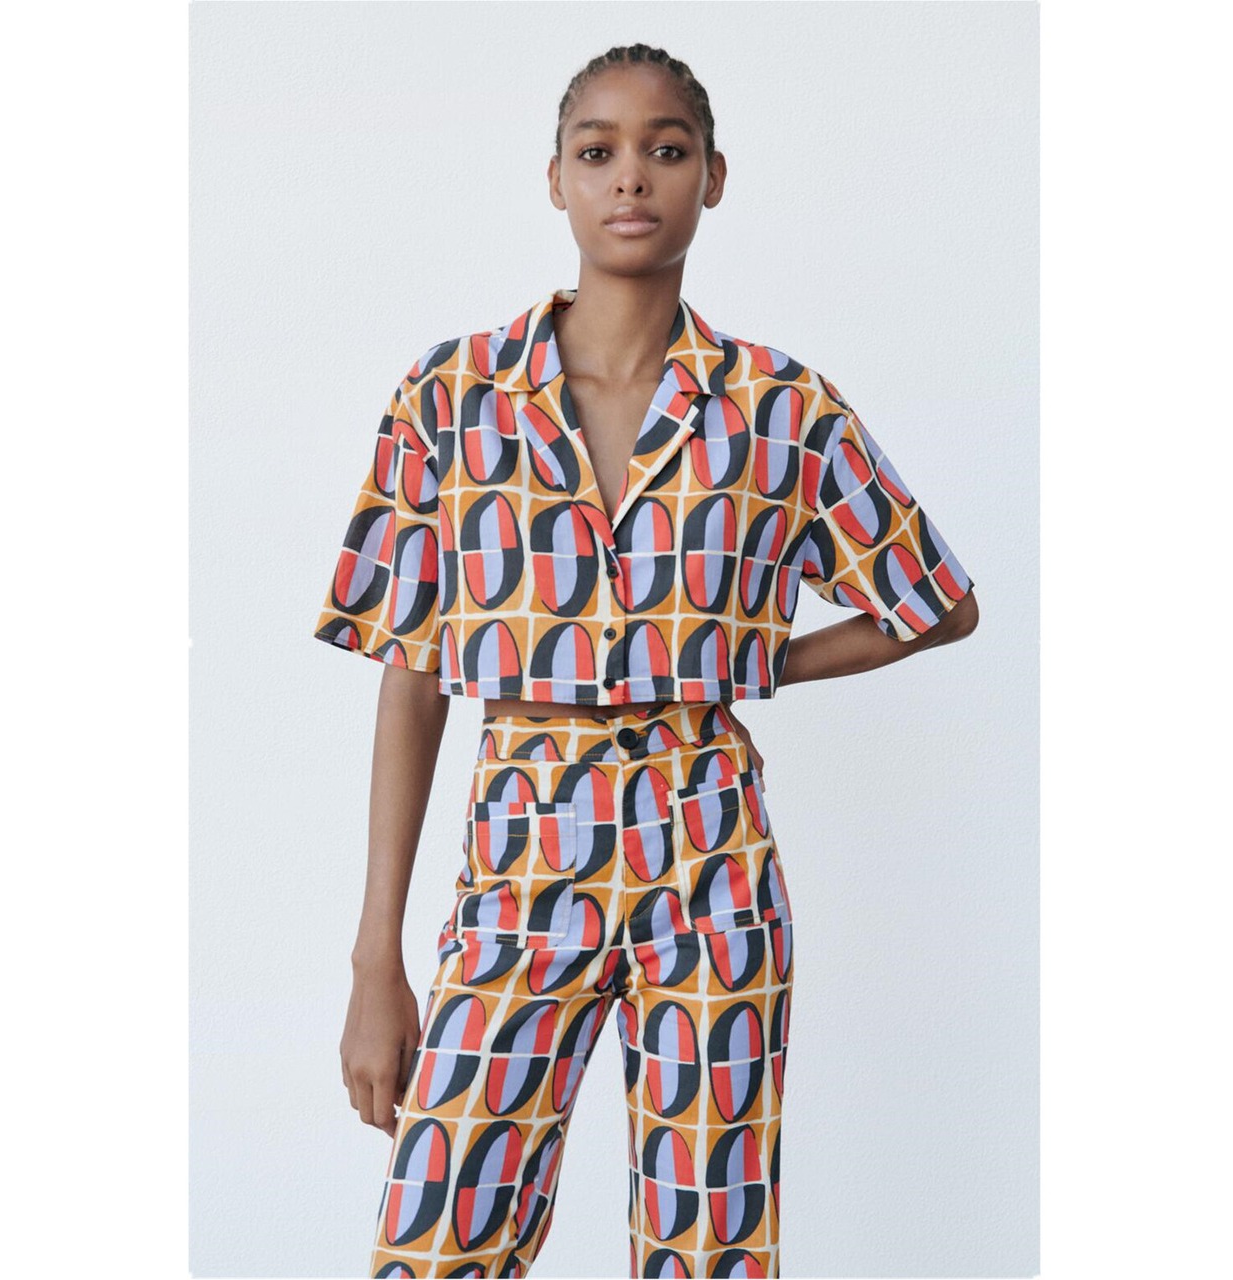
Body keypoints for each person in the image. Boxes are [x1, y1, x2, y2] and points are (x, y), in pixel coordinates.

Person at [313, 42, 979, 1280]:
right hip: (519, 852)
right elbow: (409, 672)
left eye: (665, 150)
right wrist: (374, 958)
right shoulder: (452, 396)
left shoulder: (778, 406)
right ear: (555, 179)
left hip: (709, 851)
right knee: (440, 1239)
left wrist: (755, 659)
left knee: (707, 1248)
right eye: (598, 151)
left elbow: (937, 603)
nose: (631, 177)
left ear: (711, 177)